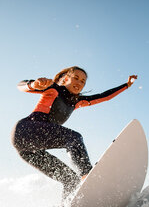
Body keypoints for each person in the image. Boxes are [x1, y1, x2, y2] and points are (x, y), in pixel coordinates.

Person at [11, 66, 138, 199]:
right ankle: (87, 175)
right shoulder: (53, 88)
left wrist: (127, 85)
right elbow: (21, 86)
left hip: (28, 151)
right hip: (25, 130)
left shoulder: (77, 101)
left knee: (70, 180)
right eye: (76, 78)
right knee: (74, 138)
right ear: (66, 79)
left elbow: (104, 96)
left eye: (83, 81)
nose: (79, 83)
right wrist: (34, 84)